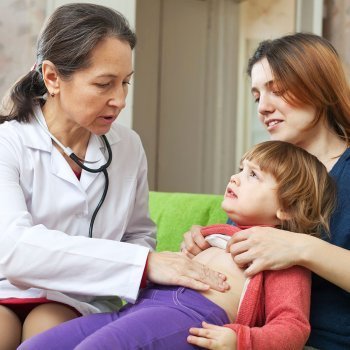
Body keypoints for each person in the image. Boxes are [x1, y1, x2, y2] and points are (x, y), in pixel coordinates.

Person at [0, 3, 228, 349]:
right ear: (52, 77)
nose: (119, 100)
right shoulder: (9, 142)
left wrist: (138, 261)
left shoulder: (127, 146)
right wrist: (144, 263)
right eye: (104, 84)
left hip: (80, 297)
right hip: (6, 287)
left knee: (47, 327)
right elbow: (12, 248)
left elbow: (138, 233)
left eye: (125, 83)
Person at [19, 140, 337, 350]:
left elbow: (293, 326)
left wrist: (241, 339)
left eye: (253, 175)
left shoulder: (285, 259)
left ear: (288, 208)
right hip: (138, 306)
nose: (235, 177)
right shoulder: (212, 234)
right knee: (37, 346)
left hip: (189, 318)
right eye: (241, 168)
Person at [182, 32, 350, 350]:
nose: (262, 107)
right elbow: (245, 259)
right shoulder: (264, 170)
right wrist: (209, 246)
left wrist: (300, 248)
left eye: (277, 90)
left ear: (318, 85)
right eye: (257, 95)